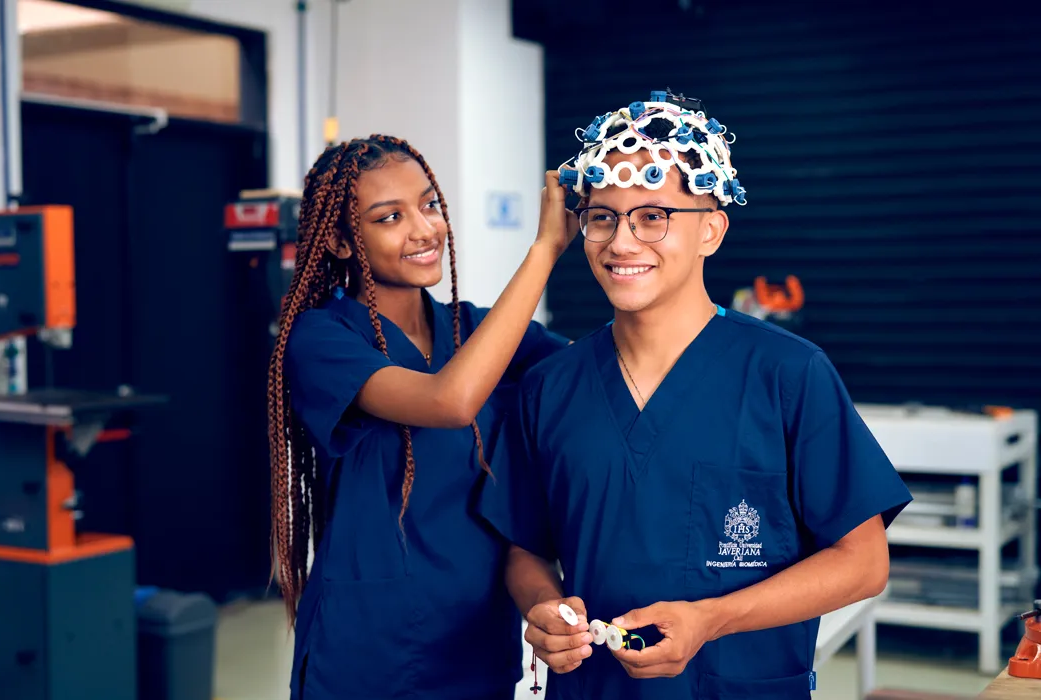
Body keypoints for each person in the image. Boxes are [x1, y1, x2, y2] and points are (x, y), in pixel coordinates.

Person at [478, 91, 913, 699]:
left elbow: (864, 563)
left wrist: (711, 619)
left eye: (653, 216)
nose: (622, 242)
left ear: (711, 230)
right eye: (602, 216)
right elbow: (526, 549)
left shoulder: (788, 374)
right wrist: (544, 609)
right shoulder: (551, 388)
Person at [267, 134, 576, 700]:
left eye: (430, 205)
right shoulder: (320, 340)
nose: (424, 229)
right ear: (339, 239)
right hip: (368, 643)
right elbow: (448, 401)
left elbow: (604, 372)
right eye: (390, 217)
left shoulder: (475, 330)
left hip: (475, 632)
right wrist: (544, 251)